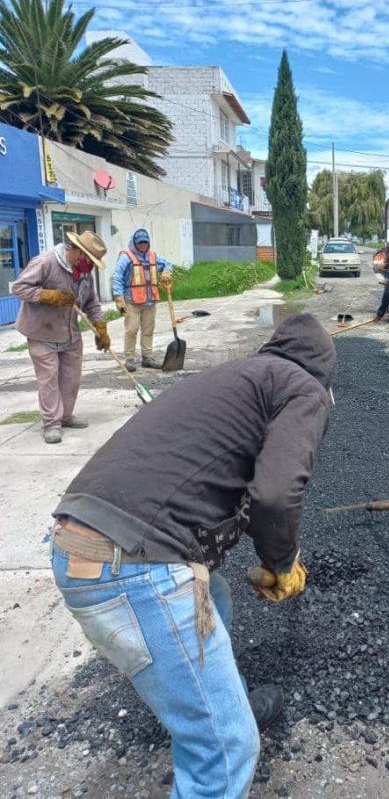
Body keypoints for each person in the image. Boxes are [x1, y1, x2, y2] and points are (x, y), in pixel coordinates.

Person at [50, 313, 336, 797]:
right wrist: (283, 563)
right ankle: (219, 724)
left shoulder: (233, 377)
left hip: (74, 543)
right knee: (226, 749)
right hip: (130, 567)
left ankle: (225, 698)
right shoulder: (305, 388)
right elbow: (275, 495)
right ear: (324, 371)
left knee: (213, 594)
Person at [11, 231, 110, 444]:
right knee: (49, 380)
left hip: (69, 332)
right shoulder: (45, 262)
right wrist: (48, 295)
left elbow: (91, 303)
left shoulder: (85, 273)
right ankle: (51, 423)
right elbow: (18, 288)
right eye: (88, 259)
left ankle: (65, 416)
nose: (89, 266)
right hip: (41, 331)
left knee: (71, 378)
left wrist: (101, 327)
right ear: (76, 251)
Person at [112, 228, 173, 372]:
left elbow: (168, 264)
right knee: (131, 330)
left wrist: (166, 271)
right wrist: (118, 297)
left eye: (145, 242)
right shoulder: (126, 257)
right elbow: (117, 276)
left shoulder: (153, 256)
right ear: (134, 242)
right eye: (140, 242)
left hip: (150, 301)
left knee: (148, 330)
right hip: (131, 301)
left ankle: (147, 357)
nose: (143, 245)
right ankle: (130, 359)